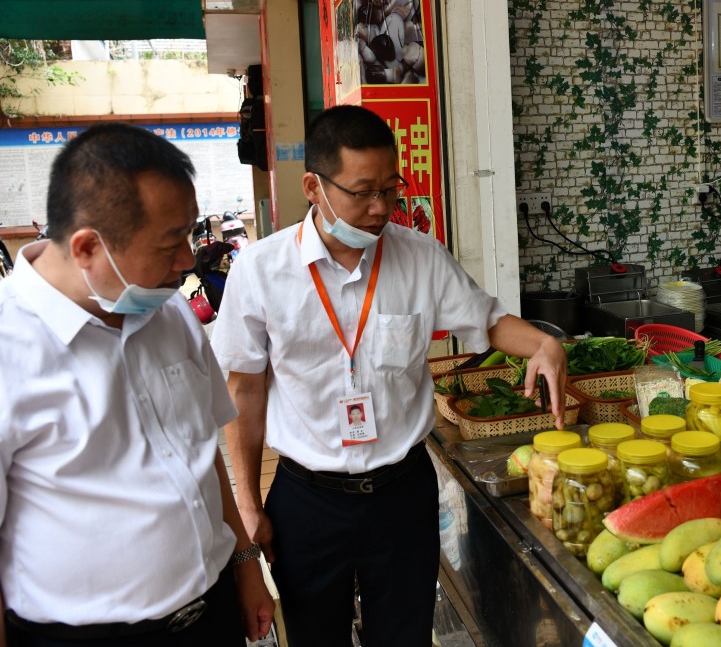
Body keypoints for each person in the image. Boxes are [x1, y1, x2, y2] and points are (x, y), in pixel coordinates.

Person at [211, 104, 567, 646]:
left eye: (390, 189)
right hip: (308, 499)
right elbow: (246, 390)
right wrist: (247, 502)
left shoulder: (420, 257)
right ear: (314, 186)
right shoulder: (260, 270)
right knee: (314, 637)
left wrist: (543, 343)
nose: (380, 208)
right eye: (362, 192)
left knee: (403, 637)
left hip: (401, 493)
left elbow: (488, 320)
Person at [0, 123, 275, 647]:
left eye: (188, 232)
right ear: (88, 247)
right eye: (169, 243)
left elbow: (202, 452)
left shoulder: (170, 314)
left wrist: (245, 565)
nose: (187, 260)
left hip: (210, 616)